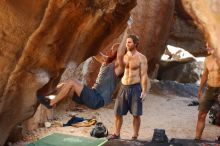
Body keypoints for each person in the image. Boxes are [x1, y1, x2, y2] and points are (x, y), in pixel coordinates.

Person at [37, 42, 126, 109]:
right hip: (92, 94)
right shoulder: (106, 61)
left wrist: (127, 30)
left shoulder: (119, 68)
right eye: (112, 48)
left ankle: (51, 103)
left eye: (114, 49)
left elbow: (121, 52)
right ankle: (47, 95)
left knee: (72, 82)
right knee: (66, 85)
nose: (111, 50)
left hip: (99, 100)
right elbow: (95, 53)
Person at [109, 34, 148, 140]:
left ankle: (135, 135)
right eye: (126, 42)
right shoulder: (124, 56)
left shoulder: (141, 58)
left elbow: (144, 75)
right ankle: (117, 134)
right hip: (123, 87)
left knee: (136, 114)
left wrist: (144, 91)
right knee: (118, 113)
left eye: (129, 42)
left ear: (135, 44)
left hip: (135, 88)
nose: (127, 44)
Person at [195, 44, 220, 140]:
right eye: (206, 46)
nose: (207, 48)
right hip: (209, 89)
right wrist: (200, 89)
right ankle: (197, 138)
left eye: (209, 46)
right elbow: (205, 75)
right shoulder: (207, 59)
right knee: (201, 114)